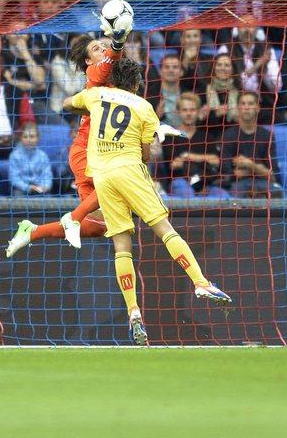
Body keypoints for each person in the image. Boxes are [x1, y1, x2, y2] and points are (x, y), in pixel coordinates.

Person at [65, 57, 232, 346]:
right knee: (165, 229)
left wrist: (89, 99)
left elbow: (68, 104)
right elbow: (146, 155)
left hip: (103, 177)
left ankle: (133, 311)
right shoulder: (144, 107)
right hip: (130, 172)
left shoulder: (96, 95)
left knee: (121, 244)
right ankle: (201, 282)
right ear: (137, 84)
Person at [7, 35, 115, 256]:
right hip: (88, 152)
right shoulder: (96, 74)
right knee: (114, 189)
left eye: (105, 46)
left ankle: (32, 232)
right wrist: (119, 40)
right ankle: (72, 220)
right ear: (88, 61)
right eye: (97, 48)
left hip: (93, 152)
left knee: (99, 227)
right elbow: (113, 59)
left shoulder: (109, 79)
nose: (104, 50)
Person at [218, 90, 282, 198]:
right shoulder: (228, 135)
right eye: (243, 104)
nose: (246, 107)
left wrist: (250, 165)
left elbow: (274, 175)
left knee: (281, 196)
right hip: (238, 185)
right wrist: (259, 169)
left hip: (264, 184)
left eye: (250, 104)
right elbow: (228, 174)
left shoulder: (267, 136)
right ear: (238, 108)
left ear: (258, 108)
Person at [8, 122, 52, 196]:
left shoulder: (43, 156)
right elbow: (14, 178)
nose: (28, 140)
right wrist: (28, 187)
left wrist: (44, 186)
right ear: (21, 138)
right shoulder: (14, 156)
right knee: (17, 195)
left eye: (32, 136)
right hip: (21, 188)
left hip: (39, 188)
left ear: (38, 138)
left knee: (48, 198)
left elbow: (47, 175)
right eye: (25, 137)